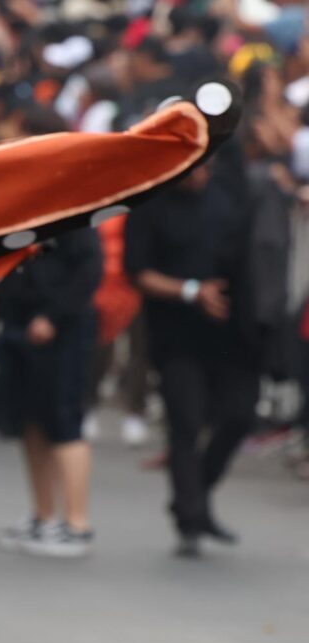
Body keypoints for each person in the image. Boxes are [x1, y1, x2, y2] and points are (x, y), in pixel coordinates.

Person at [0, 113, 104, 558]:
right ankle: (43, 516)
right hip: (21, 322)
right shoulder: (21, 192)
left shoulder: (71, 193)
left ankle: (77, 523)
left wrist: (54, 316)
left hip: (62, 328)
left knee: (64, 420)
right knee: (31, 422)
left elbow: (89, 266)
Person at [124, 159, 251, 556]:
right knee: (186, 423)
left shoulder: (228, 193)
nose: (201, 175)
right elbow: (138, 272)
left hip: (232, 334)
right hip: (176, 335)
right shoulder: (151, 204)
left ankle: (195, 494)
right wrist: (191, 292)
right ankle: (191, 517)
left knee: (239, 415)